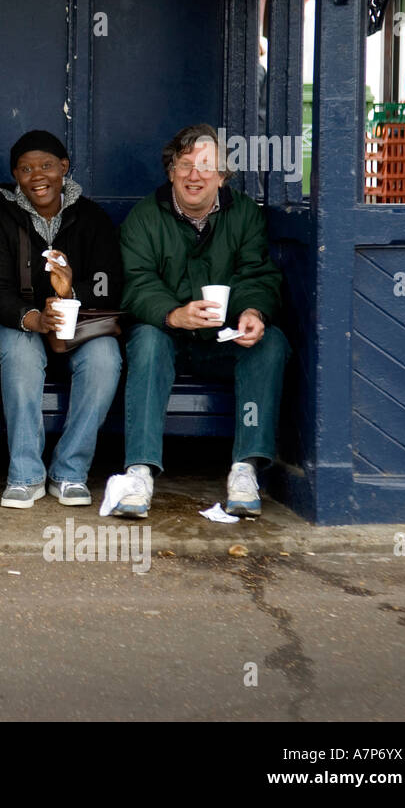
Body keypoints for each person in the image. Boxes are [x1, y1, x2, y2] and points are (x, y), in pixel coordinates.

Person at [108, 122, 289, 519]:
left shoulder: (244, 214)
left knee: (270, 342)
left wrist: (252, 313)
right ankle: (138, 472)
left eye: (207, 166)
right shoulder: (144, 216)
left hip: (221, 341)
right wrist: (174, 315)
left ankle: (245, 468)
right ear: (170, 169)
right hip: (170, 335)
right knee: (147, 341)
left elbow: (257, 274)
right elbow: (136, 283)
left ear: (222, 175)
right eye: (185, 164)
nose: (195, 175)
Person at [0, 130, 123, 508]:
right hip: (16, 325)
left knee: (105, 355)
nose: (37, 176)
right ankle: (25, 475)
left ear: (64, 168)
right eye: (26, 169)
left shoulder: (91, 217)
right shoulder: (2, 220)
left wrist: (71, 292)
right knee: (22, 351)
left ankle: (70, 472)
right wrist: (31, 318)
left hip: (75, 323)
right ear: (15, 176)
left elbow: (110, 283)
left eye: (46, 166)